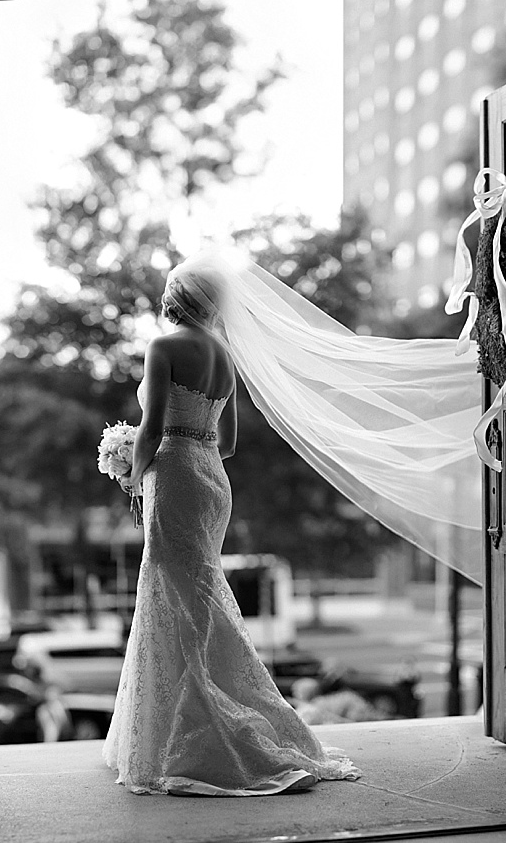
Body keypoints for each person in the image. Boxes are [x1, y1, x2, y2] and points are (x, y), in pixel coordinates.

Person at [102, 259, 361, 796]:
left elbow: (150, 428)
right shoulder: (225, 354)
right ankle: (211, 711)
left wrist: (134, 474)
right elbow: (231, 442)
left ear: (176, 297)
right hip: (211, 480)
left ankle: (200, 730)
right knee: (196, 591)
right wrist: (190, 444)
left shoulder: (163, 347)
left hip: (174, 476)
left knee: (174, 594)